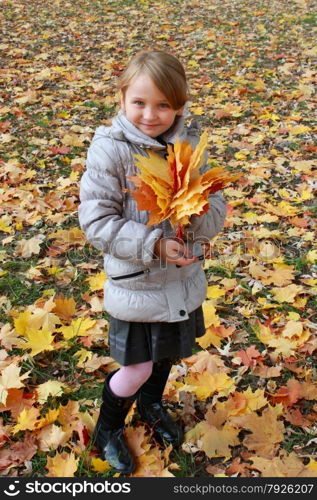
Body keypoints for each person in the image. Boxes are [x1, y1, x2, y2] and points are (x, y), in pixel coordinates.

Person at [78, 50, 227, 474]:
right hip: (138, 284)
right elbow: (97, 220)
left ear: (180, 105)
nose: (150, 114)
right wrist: (154, 245)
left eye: (164, 104)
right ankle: (107, 429)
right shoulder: (111, 150)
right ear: (122, 98)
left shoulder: (190, 144)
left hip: (181, 278)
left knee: (168, 355)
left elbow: (214, 201)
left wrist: (197, 220)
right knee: (137, 365)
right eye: (140, 102)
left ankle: (150, 405)